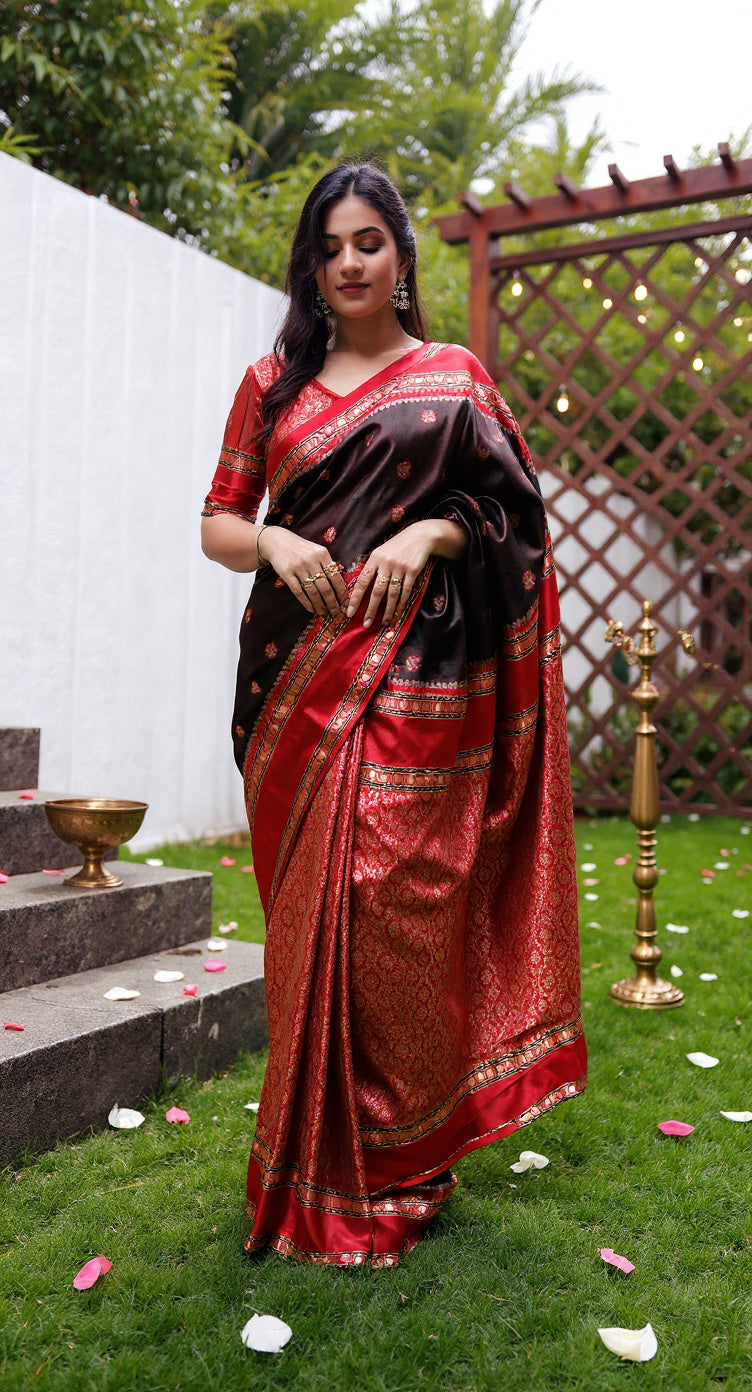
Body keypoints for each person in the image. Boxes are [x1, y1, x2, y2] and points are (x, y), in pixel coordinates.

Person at [201, 162, 586, 1269]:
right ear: (310, 267)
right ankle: (309, 1168)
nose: (349, 263)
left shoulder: (452, 379)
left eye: (367, 241)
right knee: (309, 928)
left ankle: (405, 1158)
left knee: (401, 908)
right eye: (329, 247)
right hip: (291, 686)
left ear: (402, 255)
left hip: (423, 680)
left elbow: (516, 517)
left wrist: (430, 532)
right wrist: (273, 540)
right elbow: (218, 522)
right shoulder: (272, 383)